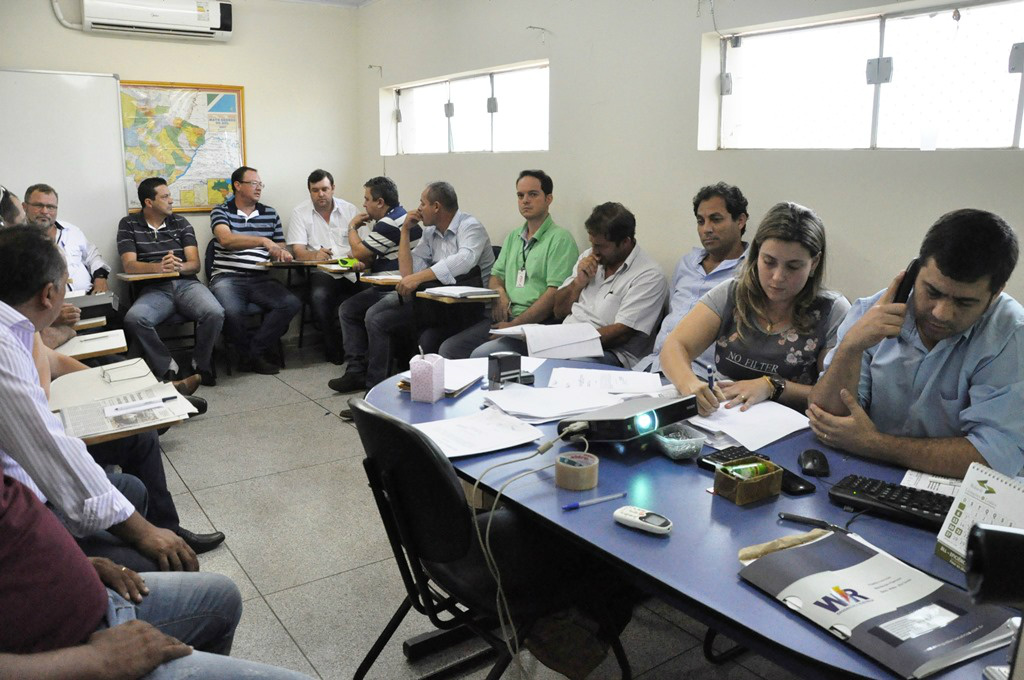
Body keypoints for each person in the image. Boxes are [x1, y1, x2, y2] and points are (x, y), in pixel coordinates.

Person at [0, 226, 223, 573]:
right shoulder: (10, 340)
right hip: (26, 501)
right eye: (65, 282)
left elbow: (52, 356)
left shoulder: (15, 322)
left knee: (137, 430)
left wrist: (111, 388)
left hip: (32, 469)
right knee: (176, 573)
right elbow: (48, 445)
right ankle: (156, 541)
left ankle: (170, 526)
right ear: (48, 294)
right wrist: (143, 534)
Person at [0, 468, 311, 679]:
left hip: (89, 603)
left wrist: (84, 562)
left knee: (222, 596)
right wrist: (97, 662)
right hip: (70, 654)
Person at [808, 209, 1024, 478]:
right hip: (867, 478)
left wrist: (877, 445)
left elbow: (994, 457)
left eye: (964, 302)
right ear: (914, 270)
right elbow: (825, 418)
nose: (941, 313)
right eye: (932, 292)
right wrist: (852, 345)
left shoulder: (1011, 336)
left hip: (956, 495)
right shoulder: (872, 311)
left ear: (996, 293)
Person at [661, 202, 850, 416]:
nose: (778, 277)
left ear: (814, 263)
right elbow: (675, 345)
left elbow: (835, 398)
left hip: (792, 427)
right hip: (726, 419)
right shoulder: (732, 293)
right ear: (757, 254)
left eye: (793, 266)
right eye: (769, 262)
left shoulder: (832, 311)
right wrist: (689, 384)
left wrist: (773, 386)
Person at [330, 181, 493, 393]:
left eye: (422, 203)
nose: (418, 208)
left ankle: (412, 391)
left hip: (472, 310)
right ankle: (375, 391)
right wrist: (405, 231)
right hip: (439, 306)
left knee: (422, 336)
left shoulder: (470, 226)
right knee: (378, 320)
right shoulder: (430, 231)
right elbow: (408, 272)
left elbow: (465, 260)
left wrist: (419, 278)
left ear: (436, 206)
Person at [438, 170, 579, 359]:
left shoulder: (560, 239)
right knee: (449, 349)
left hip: (536, 325)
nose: (525, 200)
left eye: (533, 194)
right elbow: (496, 276)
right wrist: (501, 293)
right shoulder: (514, 237)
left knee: (482, 354)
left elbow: (553, 296)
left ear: (549, 199)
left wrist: (515, 326)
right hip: (505, 318)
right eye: (520, 195)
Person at [117, 177, 225, 385]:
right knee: (134, 318)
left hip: (187, 284)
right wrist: (158, 267)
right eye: (165, 196)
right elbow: (129, 265)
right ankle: (167, 366)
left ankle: (199, 364)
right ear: (149, 202)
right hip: (153, 289)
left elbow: (194, 264)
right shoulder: (129, 224)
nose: (171, 201)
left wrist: (178, 266)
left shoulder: (180, 222)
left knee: (215, 312)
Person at [633, 182, 749, 374]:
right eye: (700, 221)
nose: (706, 229)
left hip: (697, 375)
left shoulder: (752, 272)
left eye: (716, 219)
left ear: (740, 221)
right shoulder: (687, 263)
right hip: (650, 366)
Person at [543, 202, 667, 368]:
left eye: (600, 246)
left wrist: (570, 344)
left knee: (566, 366)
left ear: (625, 242)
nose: (593, 251)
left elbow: (621, 334)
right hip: (566, 342)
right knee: (507, 351)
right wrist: (578, 282)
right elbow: (558, 311)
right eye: (592, 243)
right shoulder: (589, 257)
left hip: (612, 354)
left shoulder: (649, 275)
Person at [328, 176, 420, 393]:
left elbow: (360, 252)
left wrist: (352, 227)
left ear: (380, 202)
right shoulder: (394, 218)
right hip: (384, 285)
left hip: (397, 288)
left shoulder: (390, 222)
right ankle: (356, 371)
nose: (364, 204)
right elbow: (369, 256)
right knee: (348, 309)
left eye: (367, 199)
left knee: (373, 315)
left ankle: (374, 386)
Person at [209, 166, 301, 375]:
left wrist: (281, 253)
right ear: (238, 186)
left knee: (290, 303)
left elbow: (279, 245)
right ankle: (255, 355)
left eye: (261, 184)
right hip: (228, 277)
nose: (259, 188)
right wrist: (263, 240)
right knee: (232, 312)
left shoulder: (270, 213)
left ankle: (251, 353)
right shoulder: (221, 210)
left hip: (260, 277)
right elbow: (226, 239)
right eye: (254, 183)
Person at [286, 169, 360, 364]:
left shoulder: (350, 210)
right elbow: (298, 252)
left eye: (325, 189)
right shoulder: (300, 213)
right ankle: (333, 347)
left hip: (352, 269)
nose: (321, 194)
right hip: (321, 271)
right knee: (319, 297)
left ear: (333, 188)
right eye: (315, 190)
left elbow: (364, 245)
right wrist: (315, 255)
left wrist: (352, 259)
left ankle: (362, 347)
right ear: (309, 191)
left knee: (372, 292)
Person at [24, 183, 111, 294]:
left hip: (87, 298)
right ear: (24, 207)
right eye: (39, 206)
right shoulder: (17, 241)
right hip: (48, 307)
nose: (45, 211)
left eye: (50, 207)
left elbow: (93, 256)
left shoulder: (72, 231)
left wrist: (100, 277)